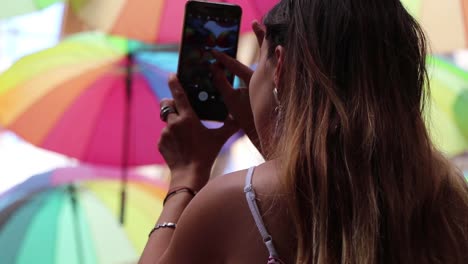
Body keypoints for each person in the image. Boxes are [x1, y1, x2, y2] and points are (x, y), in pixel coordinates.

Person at [139, 0, 468, 263]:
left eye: (261, 66)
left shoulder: (234, 204)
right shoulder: (452, 206)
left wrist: (186, 174)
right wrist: (273, 134)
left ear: (279, 66)